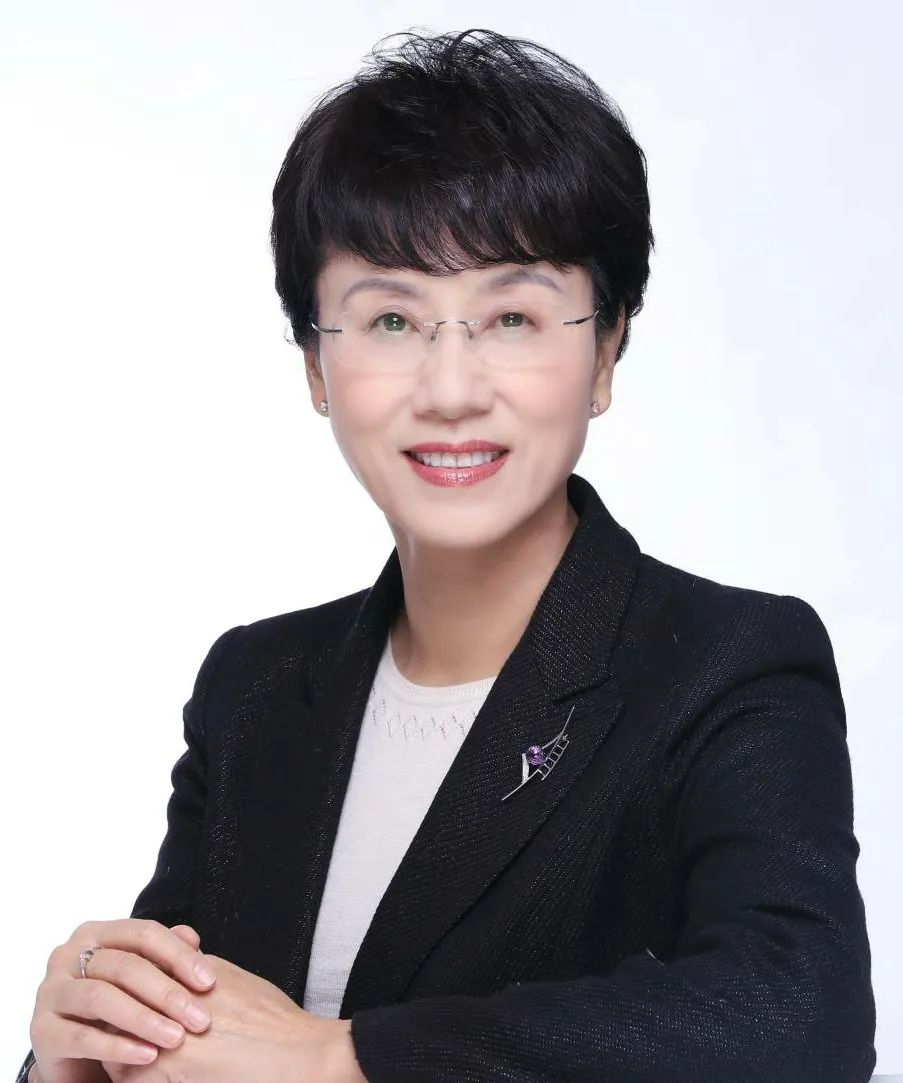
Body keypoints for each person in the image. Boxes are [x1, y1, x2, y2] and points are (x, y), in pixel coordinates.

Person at [17, 26, 877, 1083]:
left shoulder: (725, 664)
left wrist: (342, 1058)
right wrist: (78, 1052)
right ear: (315, 365)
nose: (452, 388)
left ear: (606, 349)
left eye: (511, 316)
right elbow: (183, 1046)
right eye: (390, 321)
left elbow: (800, 1022)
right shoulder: (255, 688)